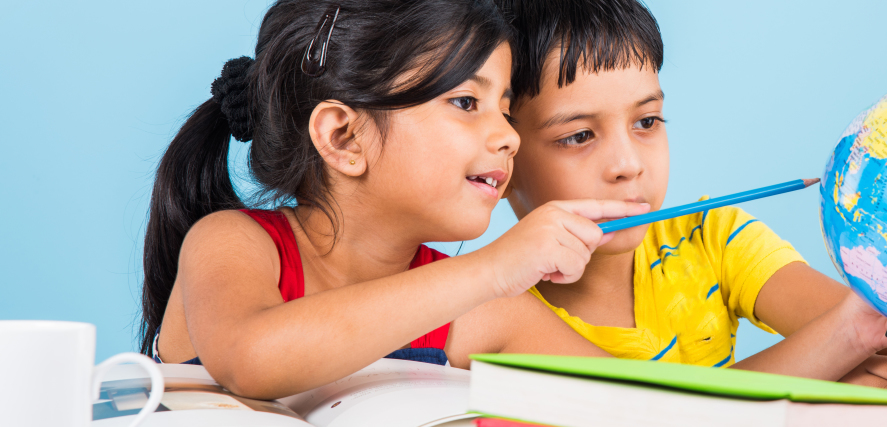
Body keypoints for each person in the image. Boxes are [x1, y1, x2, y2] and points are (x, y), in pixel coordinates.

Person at [493, 1, 887, 426]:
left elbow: (877, 328)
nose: (626, 165)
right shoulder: (489, 302)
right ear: (503, 153)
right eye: (579, 136)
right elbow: (655, 416)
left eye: (646, 122)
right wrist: (834, 358)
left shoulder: (710, 238)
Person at [139, 0, 644, 400]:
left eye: (506, 111)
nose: (509, 138)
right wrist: (493, 270)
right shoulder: (232, 244)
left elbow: (650, 407)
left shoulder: (484, 314)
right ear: (343, 138)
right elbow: (251, 358)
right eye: (467, 102)